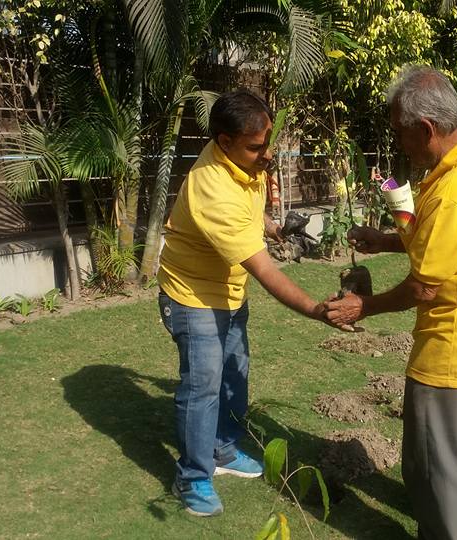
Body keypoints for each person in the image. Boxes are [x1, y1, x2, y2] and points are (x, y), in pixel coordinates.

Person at [325, 66, 457, 540]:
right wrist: (386, 240)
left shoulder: (456, 189)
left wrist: (363, 307)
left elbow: (424, 288)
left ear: (425, 129)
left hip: (456, 363)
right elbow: (453, 244)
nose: (399, 143)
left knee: (440, 476)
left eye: (400, 131)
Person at [157, 90, 343, 517]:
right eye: (257, 147)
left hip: (229, 291)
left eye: (269, 141)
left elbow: (249, 206)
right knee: (202, 386)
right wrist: (316, 309)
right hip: (193, 296)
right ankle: (193, 475)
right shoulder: (212, 189)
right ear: (224, 142)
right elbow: (266, 272)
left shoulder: (243, 160)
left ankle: (222, 449)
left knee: (234, 374)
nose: (268, 154)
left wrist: (272, 226)